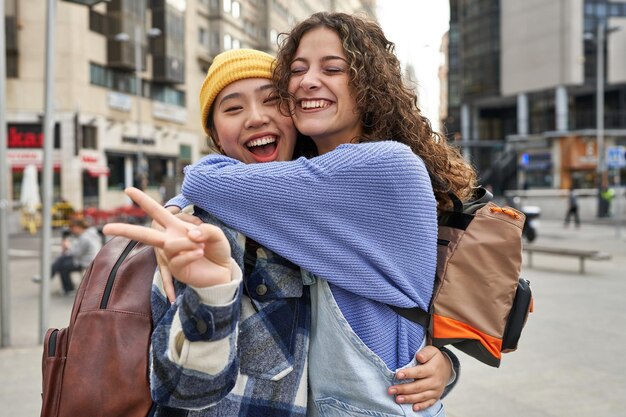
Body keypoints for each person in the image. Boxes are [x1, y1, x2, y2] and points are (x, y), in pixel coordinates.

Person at [104, 48, 456, 417]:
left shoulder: (325, 213)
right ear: (215, 135)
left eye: (273, 101)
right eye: (233, 108)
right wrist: (211, 292)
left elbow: (389, 321)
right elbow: (182, 388)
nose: (256, 118)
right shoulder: (194, 232)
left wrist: (442, 365)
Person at [33, 217, 102, 295]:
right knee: (61, 260)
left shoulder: (85, 237)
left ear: (77, 227)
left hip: (86, 262)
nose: (71, 231)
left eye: (72, 228)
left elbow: (76, 253)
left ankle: (63, 286)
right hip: (86, 260)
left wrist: (68, 246)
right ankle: (51, 279)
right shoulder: (89, 234)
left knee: (62, 266)